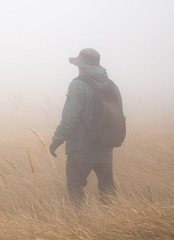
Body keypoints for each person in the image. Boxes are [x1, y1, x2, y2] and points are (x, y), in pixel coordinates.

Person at [49, 48, 124, 207]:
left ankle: (79, 224)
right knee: (107, 189)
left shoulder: (78, 85)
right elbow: (119, 118)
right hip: (105, 148)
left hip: (81, 148)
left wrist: (56, 141)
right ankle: (112, 224)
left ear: (81, 66)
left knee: (75, 186)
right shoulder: (112, 86)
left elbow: (69, 119)